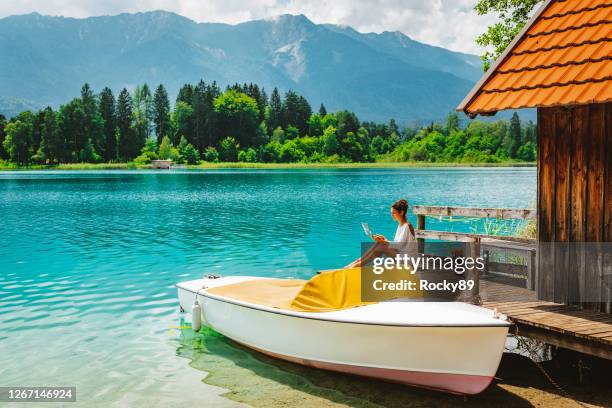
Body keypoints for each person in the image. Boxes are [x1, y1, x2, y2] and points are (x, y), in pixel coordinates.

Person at [345, 198, 417, 268]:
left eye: (394, 213)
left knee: (382, 246)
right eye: (391, 213)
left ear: (401, 212)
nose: (392, 215)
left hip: (408, 260)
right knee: (379, 243)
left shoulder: (407, 226)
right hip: (401, 256)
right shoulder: (400, 226)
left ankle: (358, 265)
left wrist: (385, 241)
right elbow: (398, 244)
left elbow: (399, 246)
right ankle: (357, 262)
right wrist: (384, 240)